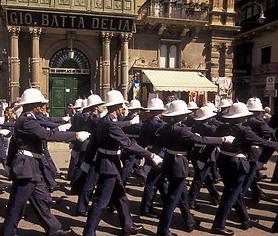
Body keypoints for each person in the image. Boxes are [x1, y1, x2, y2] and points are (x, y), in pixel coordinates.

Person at [0, 88, 90, 236]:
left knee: (41, 200)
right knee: (16, 205)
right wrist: (75, 135)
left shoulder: (28, 118)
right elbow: (46, 134)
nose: (41, 106)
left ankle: (54, 228)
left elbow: (14, 144)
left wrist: (9, 163)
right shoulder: (27, 120)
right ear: (33, 105)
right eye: (39, 104)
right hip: (25, 168)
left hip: (32, 166)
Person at [83, 90, 159, 236]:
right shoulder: (110, 123)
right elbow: (128, 144)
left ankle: (128, 225)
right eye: (122, 106)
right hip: (108, 165)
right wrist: (150, 154)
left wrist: (87, 160)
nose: (123, 108)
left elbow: (94, 142)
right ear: (118, 107)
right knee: (101, 201)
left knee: (121, 196)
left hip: (111, 163)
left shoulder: (105, 120)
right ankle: (89, 232)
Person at [156, 100, 233, 236]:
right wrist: (222, 140)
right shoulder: (181, 130)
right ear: (180, 115)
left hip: (170, 161)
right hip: (178, 163)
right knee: (172, 200)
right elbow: (201, 140)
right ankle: (163, 229)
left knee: (183, 195)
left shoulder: (167, 127)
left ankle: (189, 220)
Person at [211, 102, 278, 235]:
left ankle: (244, 219)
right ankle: (218, 224)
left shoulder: (222, 127)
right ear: (241, 117)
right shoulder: (243, 130)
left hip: (224, 161)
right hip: (237, 163)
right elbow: (261, 141)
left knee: (236, 192)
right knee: (230, 195)